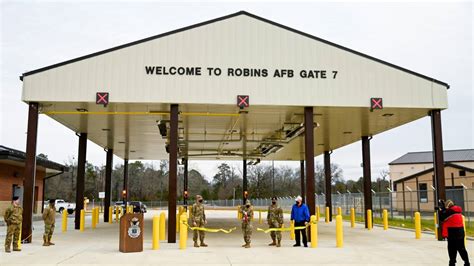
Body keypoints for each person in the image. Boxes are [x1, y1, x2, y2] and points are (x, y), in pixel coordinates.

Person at [441, 200, 470, 266]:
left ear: (447, 206)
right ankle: (467, 262)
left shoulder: (449, 211)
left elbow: (442, 217)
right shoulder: (458, 211)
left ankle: (452, 263)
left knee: (452, 249)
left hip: (452, 233)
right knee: (462, 249)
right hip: (460, 232)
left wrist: (442, 209)